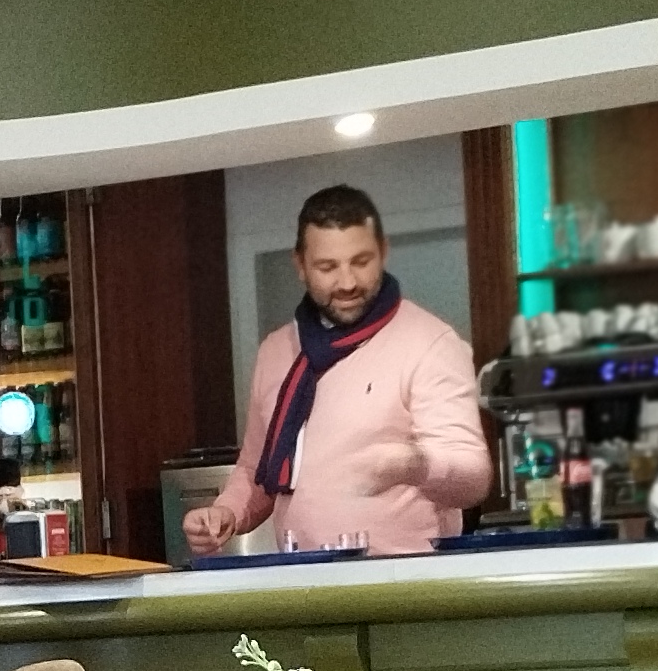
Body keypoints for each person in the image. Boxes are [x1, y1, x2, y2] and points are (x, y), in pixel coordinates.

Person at [185, 183, 495, 558]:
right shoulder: (277, 351)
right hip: (303, 575)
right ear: (300, 266)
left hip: (404, 576)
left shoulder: (430, 342)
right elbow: (257, 468)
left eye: (361, 262)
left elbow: (473, 478)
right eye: (328, 267)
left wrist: (414, 464)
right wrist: (226, 513)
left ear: (383, 252)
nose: (347, 282)